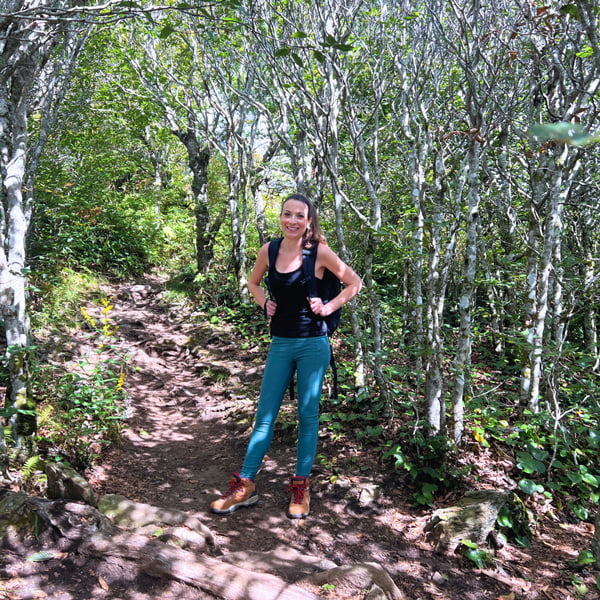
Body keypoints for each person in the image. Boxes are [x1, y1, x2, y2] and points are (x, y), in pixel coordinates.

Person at [210, 193, 362, 519]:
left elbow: (354, 282)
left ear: (309, 221)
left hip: (312, 344)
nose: (292, 221)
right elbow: (253, 282)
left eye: (299, 216)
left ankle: (300, 486)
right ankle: (245, 484)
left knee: (307, 417)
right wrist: (264, 302)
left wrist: (328, 306)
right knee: (264, 416)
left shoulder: (319, 252)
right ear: (281, 217)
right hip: (281, 342)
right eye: (287, 214)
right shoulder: (270, 250)